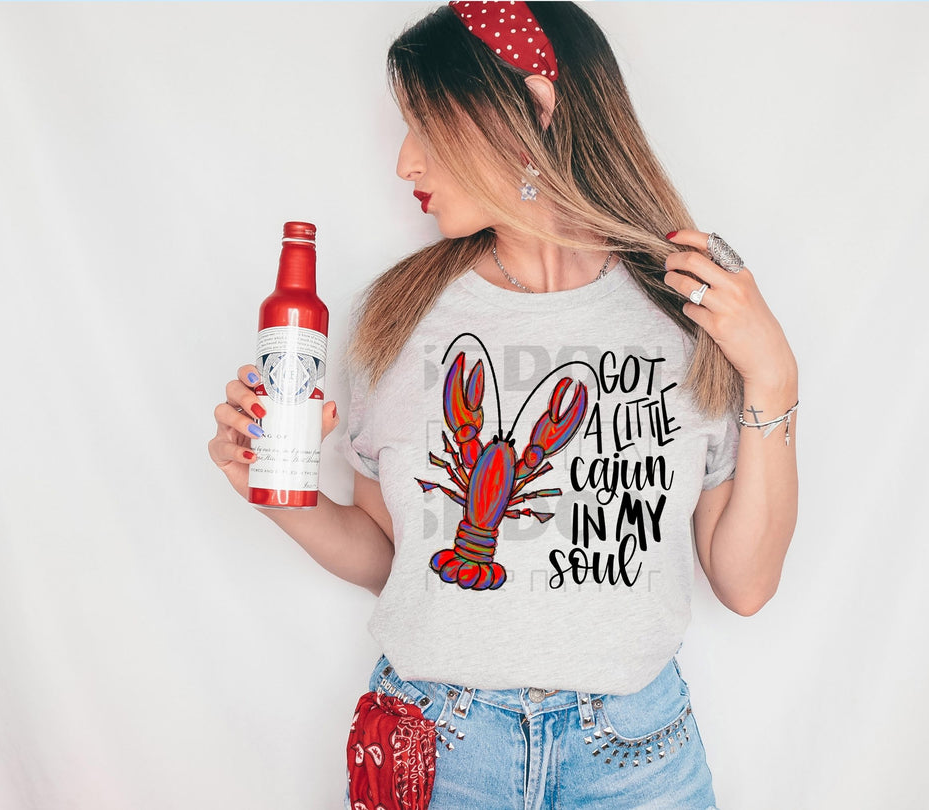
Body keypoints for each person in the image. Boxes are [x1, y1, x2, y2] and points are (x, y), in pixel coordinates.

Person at [209, 2, 798, 807]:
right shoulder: (396, 317)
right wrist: (279, 496)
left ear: (536, 108)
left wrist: (774, 378)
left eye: (425, 124)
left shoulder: (686, 311)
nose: (405, 163)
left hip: (637, 759)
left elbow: (746, 582)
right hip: (440, 746)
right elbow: (394, 558)